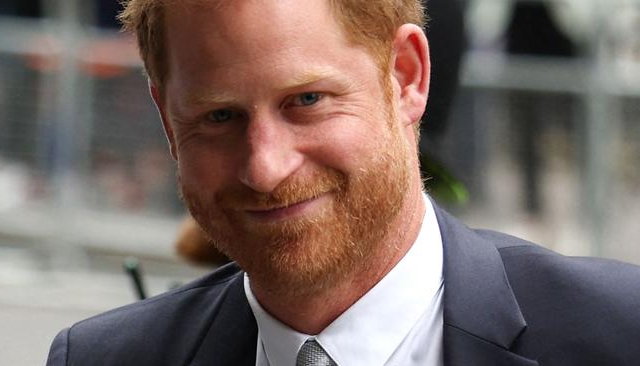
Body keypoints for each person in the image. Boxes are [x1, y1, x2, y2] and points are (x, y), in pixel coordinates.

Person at [46, 1, 640, 365]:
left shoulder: (618, 334)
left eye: (307, 100)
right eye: (218, 117)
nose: (265, 167)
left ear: (407, 77)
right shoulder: (104, 358)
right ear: (166, 120)